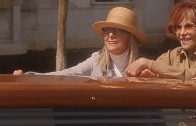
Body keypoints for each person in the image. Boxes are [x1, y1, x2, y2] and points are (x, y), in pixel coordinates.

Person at [13, 6, 146, 77]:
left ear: (130, 36)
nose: (110, 35)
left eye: (118, 30)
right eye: (107, 30)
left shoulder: (143, 67)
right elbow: (68, 74)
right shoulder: (96, 60)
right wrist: (29, 76)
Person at [126, 0, 196, 80]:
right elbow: (156, 70)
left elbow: (193, 76)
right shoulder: (171, 55)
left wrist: (148, 63)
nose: (182, 33)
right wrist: (151, 76)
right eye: (178, 27)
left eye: (188, 26)